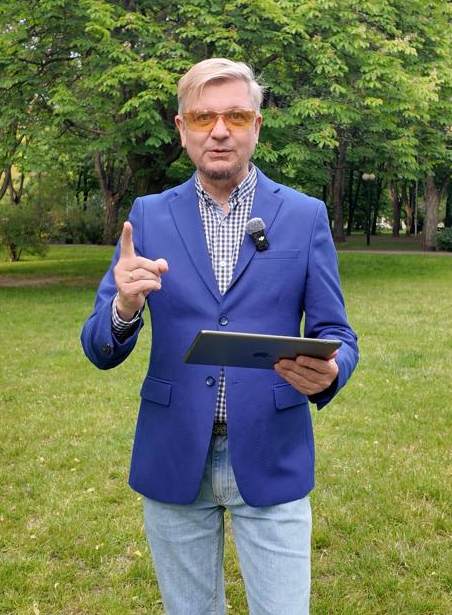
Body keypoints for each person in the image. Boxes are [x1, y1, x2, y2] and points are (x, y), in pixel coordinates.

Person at [80, 57, 359, 614]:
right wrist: (125, 306)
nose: (220, 131)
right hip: (174, 448)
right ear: (182, 128)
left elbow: (337, 333)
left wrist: (331, 371)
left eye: (235, 115)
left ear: (257, 125)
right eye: (203, 117)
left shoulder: (304, 215)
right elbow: (98, 346)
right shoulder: (148, 217)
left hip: (272, 449)